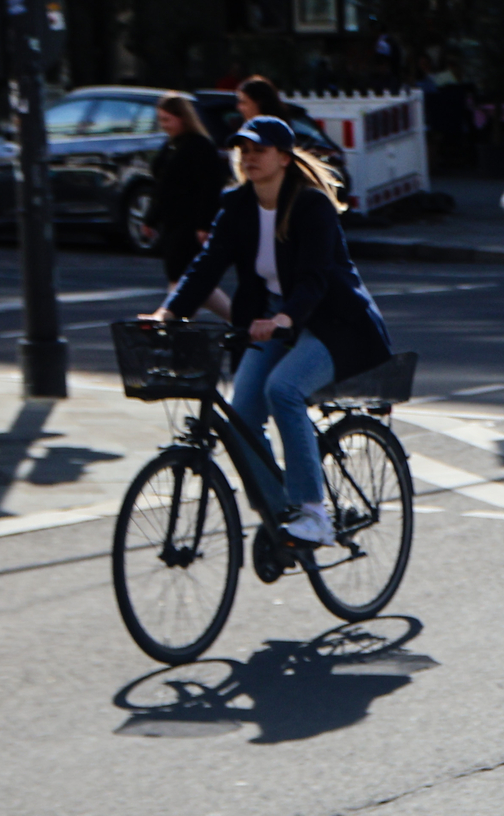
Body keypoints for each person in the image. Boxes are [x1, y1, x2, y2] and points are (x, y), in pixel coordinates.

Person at [154, 117, 392, 548]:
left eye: (259, 150)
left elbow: (315, 278)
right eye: (243, 150)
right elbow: (206, 266)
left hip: (335, 323)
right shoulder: (237, 204)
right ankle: (279, 507)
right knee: (242, 411)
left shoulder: (311, 205)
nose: (249, 158)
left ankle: (314, 513)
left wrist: (285, 319)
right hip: (272, 321)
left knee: (283, 389)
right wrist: (168, 314)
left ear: (283, 158)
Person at [145, 93, 225, 284]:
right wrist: (151, 218)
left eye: (167, 119)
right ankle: (232, 314)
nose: (163, 125)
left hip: (189, 220)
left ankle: (170, 313)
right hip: (171, 220)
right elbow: (162, 186)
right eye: (161, 120)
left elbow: (210, 187)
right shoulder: (171, 146)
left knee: (180, 274)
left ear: (182, 118)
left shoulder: (200, 146)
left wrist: (204, 224)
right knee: (190, 280)